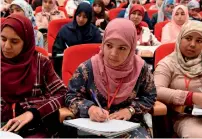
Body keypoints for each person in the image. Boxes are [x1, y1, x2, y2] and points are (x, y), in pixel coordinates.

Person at [65, 18, 156, 138]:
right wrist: (89, 109)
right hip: (93, 125)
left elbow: (150, 96)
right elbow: (70, 96)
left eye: (122, 48)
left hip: (129, 125)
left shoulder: (140, 69)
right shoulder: (88, 68)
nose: (113, 53)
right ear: (103, 43)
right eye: (109, 45)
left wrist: (130, 110)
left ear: (132, 47)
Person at [0, 14, 67, 137]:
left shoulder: (41, 63)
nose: (7, 46)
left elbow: (62, 93)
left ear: (26, 42)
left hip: (34, 128)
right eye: (3, 39)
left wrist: (33, 112)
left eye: (14, 41)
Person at [154, 20, 202, 138]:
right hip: (186, 116)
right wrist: (191, 97)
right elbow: (155, 90)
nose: (192, 44)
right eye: (188, 38)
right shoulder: (168, 63)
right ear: (180, 38)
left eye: (199, 41)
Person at [53, 2, 102, 77]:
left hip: (89, 70)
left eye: (85, 17)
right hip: (69, 67)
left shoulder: (95, 32)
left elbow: (99, 53)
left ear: (89, 18)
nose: (81, 19)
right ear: (75, 14)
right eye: (79, 15)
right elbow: (56, 52)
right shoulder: (65, 30)